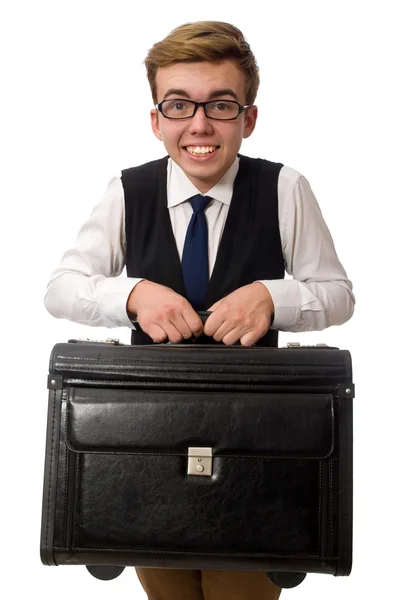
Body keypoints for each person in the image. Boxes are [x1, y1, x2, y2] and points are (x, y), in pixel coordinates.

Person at [44, 20, 355, 600]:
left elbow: (338, 294)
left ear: (249, 118)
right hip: (149, 436)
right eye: (179, 105)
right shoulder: (126, 191)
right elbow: (61, 287)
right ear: (156, 120)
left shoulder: (285, 188)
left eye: (221, 104)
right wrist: (131, 293)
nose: (200, 125)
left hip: (258, 437)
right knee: (167, 588)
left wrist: (274, 294)